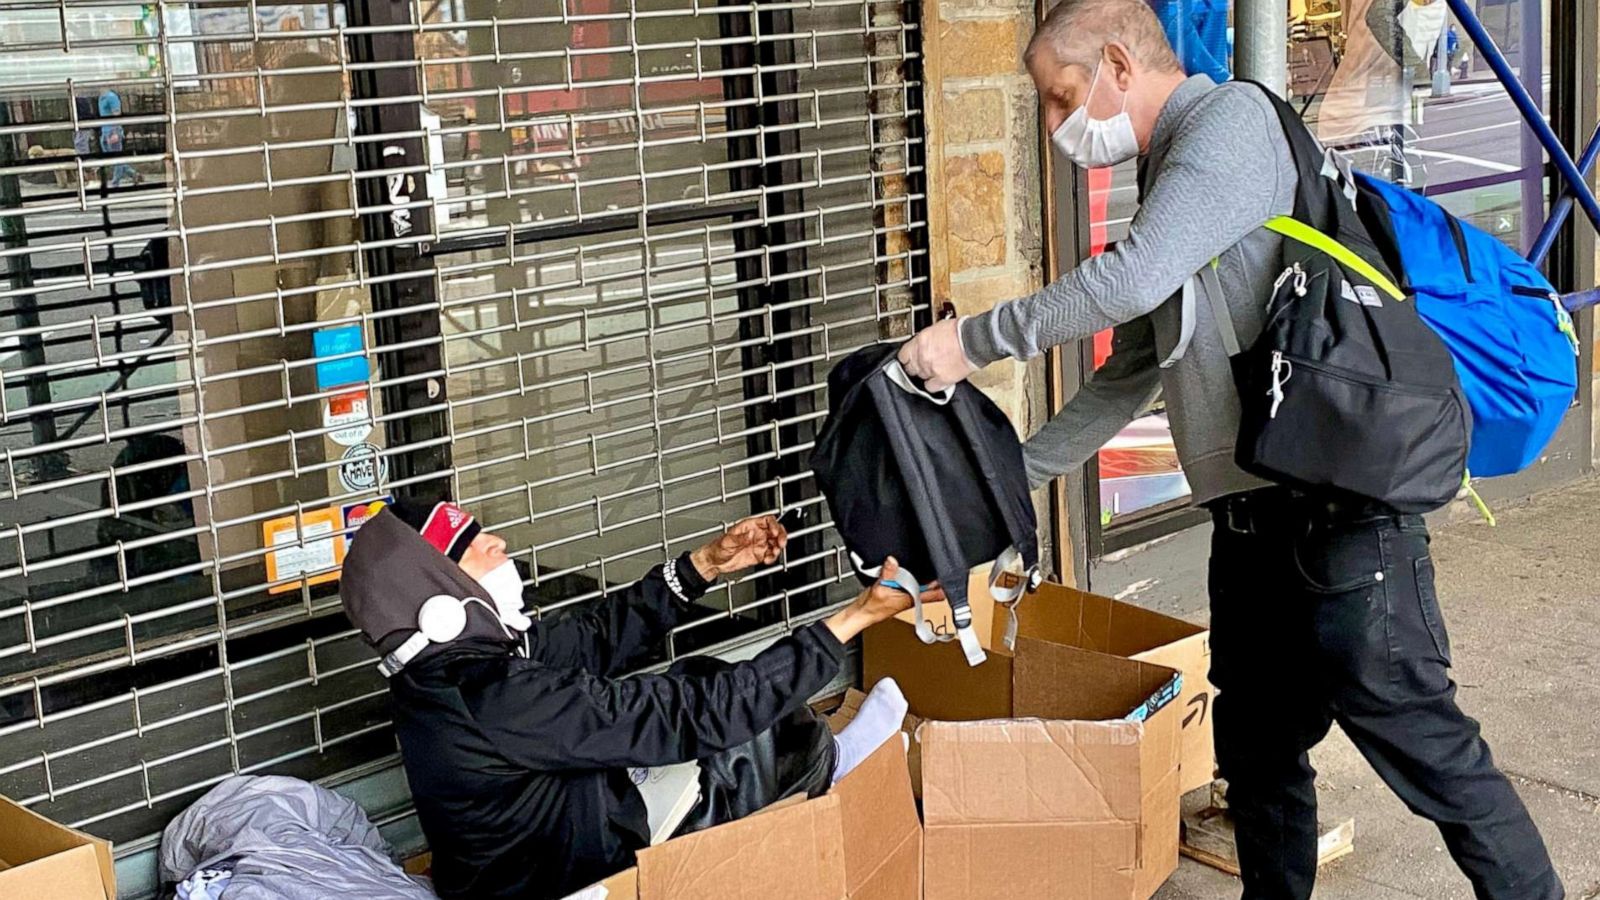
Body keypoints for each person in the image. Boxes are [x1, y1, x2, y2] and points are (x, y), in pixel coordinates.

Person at [895, 1, 1563, 897]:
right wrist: (1006, 482)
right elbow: (1132, 365)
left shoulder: (1231, 127)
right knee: (1258, 760)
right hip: (1251, 524)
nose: (1056, 128)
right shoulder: (1171, 166)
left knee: (1429, 754)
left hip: (1341, 518)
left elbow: (1125, 280)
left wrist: (967, 342)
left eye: (1061, 99)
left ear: (1120, 66)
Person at [339, 498, 928, 900]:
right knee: (737, 739)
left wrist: (705, 565)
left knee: (699, 681)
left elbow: (598, 636)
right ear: (439, 596)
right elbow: (687, 716)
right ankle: (838, 768)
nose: (497, 543)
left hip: (555, 841)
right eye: (474, 546)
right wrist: (854, 619)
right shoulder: (490, 696)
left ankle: (827, 760)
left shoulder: (457, 668)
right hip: (573, 880)